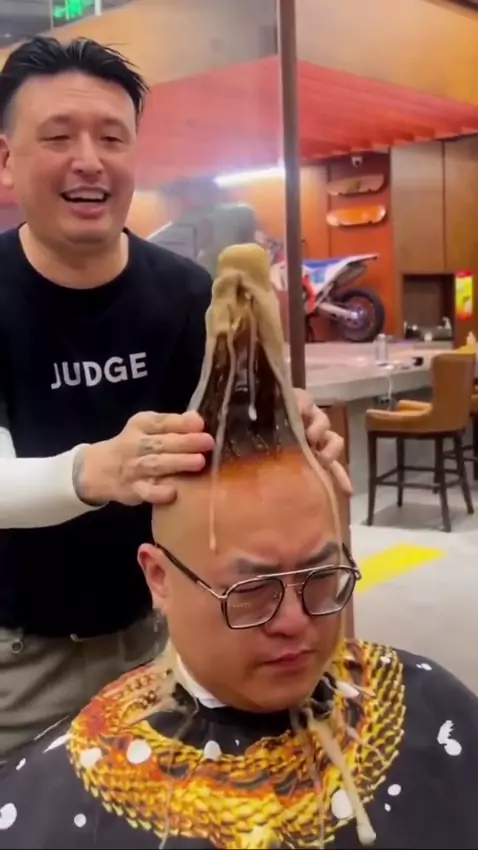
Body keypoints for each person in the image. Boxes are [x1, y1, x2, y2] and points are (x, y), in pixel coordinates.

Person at [0, 244, 476, 850]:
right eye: (251, 591)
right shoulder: (52, 805)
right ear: (159, 578)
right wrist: (82, 473)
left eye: (321, 577)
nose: (295, 623)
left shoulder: (179, 291)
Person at [0, 36, 349, 759]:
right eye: (59, 137)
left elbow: (222, 455)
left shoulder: (188, 294)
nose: (89, 160)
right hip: (20, 657)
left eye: (112, 138)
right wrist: (95, 470)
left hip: (165, 633)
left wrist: (287, 435)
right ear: (7, 159)